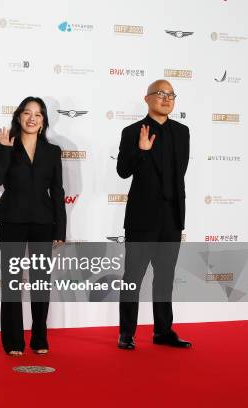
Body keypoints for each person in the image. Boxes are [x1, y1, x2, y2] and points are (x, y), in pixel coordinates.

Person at [116, 79, 191, 350]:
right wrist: (141, 152)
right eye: (160, 94)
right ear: (147, 99)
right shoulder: (132, 131)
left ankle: (163, 331)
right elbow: (123, 170)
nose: (166, 98)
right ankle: (126, 333)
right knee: (132, 277)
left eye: (171, 95)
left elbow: (178, 174)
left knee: (165, 276)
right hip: (142, 218)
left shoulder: (183, 132)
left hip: (171, 217)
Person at [0, 96, 66, 356]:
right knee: (11, 282)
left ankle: (39, 338)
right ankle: (12, 341)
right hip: (11, 220)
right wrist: (4, 150)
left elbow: (57, 191)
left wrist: (60, 229)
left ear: (43, 121)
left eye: (38, 114)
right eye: (27, 113)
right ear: (19, 117)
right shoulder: (3, 146)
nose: (32, 118)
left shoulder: (53, 152)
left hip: (44, 222)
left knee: (41, 282)